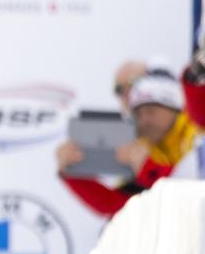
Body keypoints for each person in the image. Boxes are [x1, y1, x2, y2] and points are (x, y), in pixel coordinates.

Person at [58, 66, 199, 217]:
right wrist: (73, 173)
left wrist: (147, 168)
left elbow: (192, 193)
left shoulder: (198, 137)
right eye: (137, 113)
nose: (144, 120)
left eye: (151, 111)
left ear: (175, 109)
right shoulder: (144, 148)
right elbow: (116, 206)